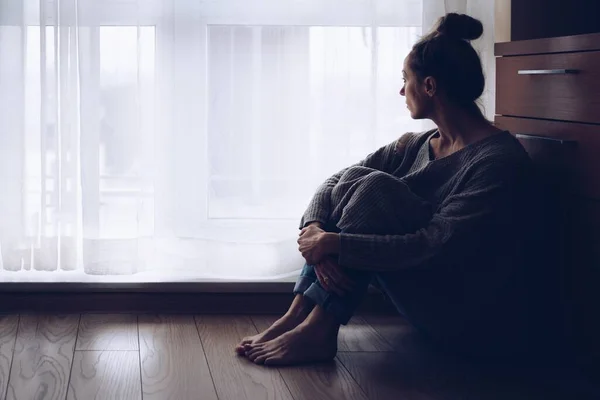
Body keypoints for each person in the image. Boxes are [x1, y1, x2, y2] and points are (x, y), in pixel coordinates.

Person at [234, 13, 549, 366]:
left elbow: (434, 245)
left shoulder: (496, 161)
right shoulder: (415, 145)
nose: (401, 91)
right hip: (424, 296)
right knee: (357, 180)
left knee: (374, 189)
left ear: (429, 86)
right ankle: (297, 317)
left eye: (405, 80)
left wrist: (337, 244)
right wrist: (316, 230)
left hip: (472, 320)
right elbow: (338, 179)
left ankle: (319, 329)